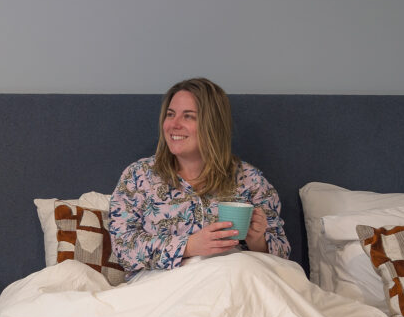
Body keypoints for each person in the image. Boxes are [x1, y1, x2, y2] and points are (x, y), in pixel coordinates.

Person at [109, 77, 290, 276]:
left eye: (188, 116)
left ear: (212, 124)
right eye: (170, 114)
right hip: (163, 288)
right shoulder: (138, 177)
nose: (174, 124)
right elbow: (123, 249)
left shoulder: (250, 180)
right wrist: (188, 246)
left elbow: (283, 260)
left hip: (233, 281)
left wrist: (258, 240)